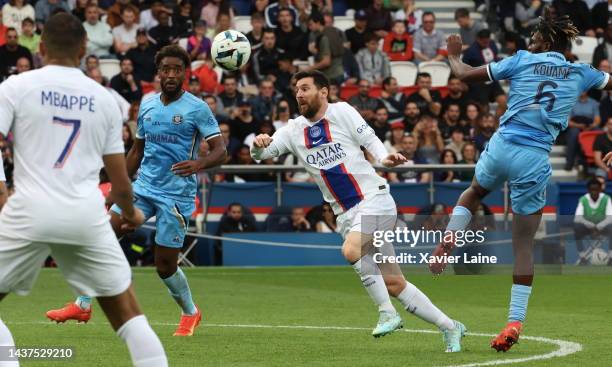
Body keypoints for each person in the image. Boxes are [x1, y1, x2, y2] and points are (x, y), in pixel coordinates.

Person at [433, 8, 612, 352]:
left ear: (544, 39)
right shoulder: (581, 72)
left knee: (473, 193)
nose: (529, 41)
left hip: (503, 144)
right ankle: (514, 320)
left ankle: (450, 238)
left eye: (534, 37)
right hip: (533, 157)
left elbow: (465, 74)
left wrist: (454, 55)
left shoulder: (521, 60)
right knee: (523, 245)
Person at [251, 70, 466, 351]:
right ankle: (451, 327)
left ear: (324, 91)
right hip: (345, 215)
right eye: (297, 90)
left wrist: (383, 157)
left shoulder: (341, 112)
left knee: (351, 251)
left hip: (374, 199)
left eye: (305, 88)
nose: (299, 94)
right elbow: (263, 155)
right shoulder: (293, 131)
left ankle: (387, 313)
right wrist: (258, 145)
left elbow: (369, 138)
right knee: (394, 283)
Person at [0, 13, 167, 366]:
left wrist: (3, 191)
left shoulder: (15, 87)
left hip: (29, 209)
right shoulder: (105, 98)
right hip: (85, 215)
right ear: (84, 48)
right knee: (129, 318)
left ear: (41, 48)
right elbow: (119, 176)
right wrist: (132, 211)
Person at [46, 45, 227, 337]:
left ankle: (190, 312)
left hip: (176, 195)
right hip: (143, 188)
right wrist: (120, 186)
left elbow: (221, 151)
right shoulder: (147, 104)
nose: (170, 74)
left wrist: (199, 163)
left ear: (185, 73)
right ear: (158, 73)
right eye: (165, 69)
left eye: (177, 69)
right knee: (101, 237)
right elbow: (137, 150)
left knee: (164, 266)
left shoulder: (197, 108)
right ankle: (82, 303)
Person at [573, 178, 612, 265]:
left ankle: (611, 257)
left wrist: (598, 227)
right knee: (577, 227)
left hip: (603, 227)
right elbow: (577, 218)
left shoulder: (607, 199)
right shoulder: (583, 199)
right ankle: (583, 257)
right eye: (592, 190)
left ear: (600, 189)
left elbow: (610, 217)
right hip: (588, 228)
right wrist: (591, 226)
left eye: (596, 189)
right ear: (588, 190)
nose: (594, 192)